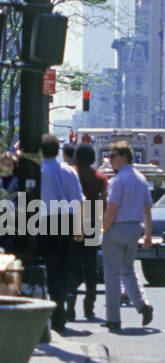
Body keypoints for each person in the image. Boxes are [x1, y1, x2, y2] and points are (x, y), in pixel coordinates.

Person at [100, 141, 153, 331]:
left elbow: (112, 209)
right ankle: (142, 305)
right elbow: (147, 208)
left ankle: (113, 318)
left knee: (112, 274)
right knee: (128, 269)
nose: (110, 160)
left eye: (112, 156)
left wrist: (103, 230)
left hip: (116, 229)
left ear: (123, 157)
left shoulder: (118, 180)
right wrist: (148, 234)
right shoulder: (140, 178)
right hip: (134, 229)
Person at [38, 133, 84, 332]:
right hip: (66, 222)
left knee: (47, 268)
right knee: (62, 268)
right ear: (58, 151)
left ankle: (50, 315)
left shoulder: (38, 171)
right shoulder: (69, 172)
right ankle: (60, 315)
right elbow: (79, 201)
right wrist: (79, 227)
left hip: (42, 222)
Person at [70, 143, 107, 322]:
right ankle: (89, 307)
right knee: (91, 266)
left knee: (73, 264)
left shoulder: (71, 173)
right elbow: (104, 202)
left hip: (73, 221)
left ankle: (70, 304)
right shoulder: (99, 177)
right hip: (92, 221)